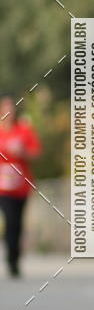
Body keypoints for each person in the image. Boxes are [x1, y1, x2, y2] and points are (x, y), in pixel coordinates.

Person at [0, 95, 42, 278]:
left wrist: (23, 152)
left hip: (21, 186)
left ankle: (15, 258)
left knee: (17, 223)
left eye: (12, 108)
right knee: (9, 220)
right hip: (2, 187)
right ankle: (10, 259)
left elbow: (36, 153)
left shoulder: (24, 130)